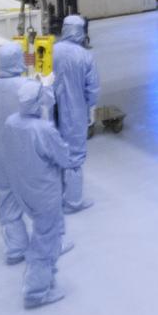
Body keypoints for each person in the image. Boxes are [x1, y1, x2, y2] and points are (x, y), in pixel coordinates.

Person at [2, 79, 71, 309]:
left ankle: (47, 278)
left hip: (24, 189)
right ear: (36, 101)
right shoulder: (43, 129)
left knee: (44, 234)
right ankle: (36, 292)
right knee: (45, 239)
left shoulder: (11, 122)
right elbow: (63, 157)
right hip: (45, 193)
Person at [0, 43, 30, 265]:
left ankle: (16, 249)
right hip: (24, 152)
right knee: (40, 201)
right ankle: (48, 247)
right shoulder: (27, 87)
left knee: (6, 198)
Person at [52, 15, 99, 213]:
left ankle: (55, 196)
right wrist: (91, 108)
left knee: (54, 153)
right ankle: (73, 202)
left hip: (51, 111)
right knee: (74, 156)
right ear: (81, 32)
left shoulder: (52, 50)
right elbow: (92, 88)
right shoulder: (85, 56)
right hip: (75, 111)